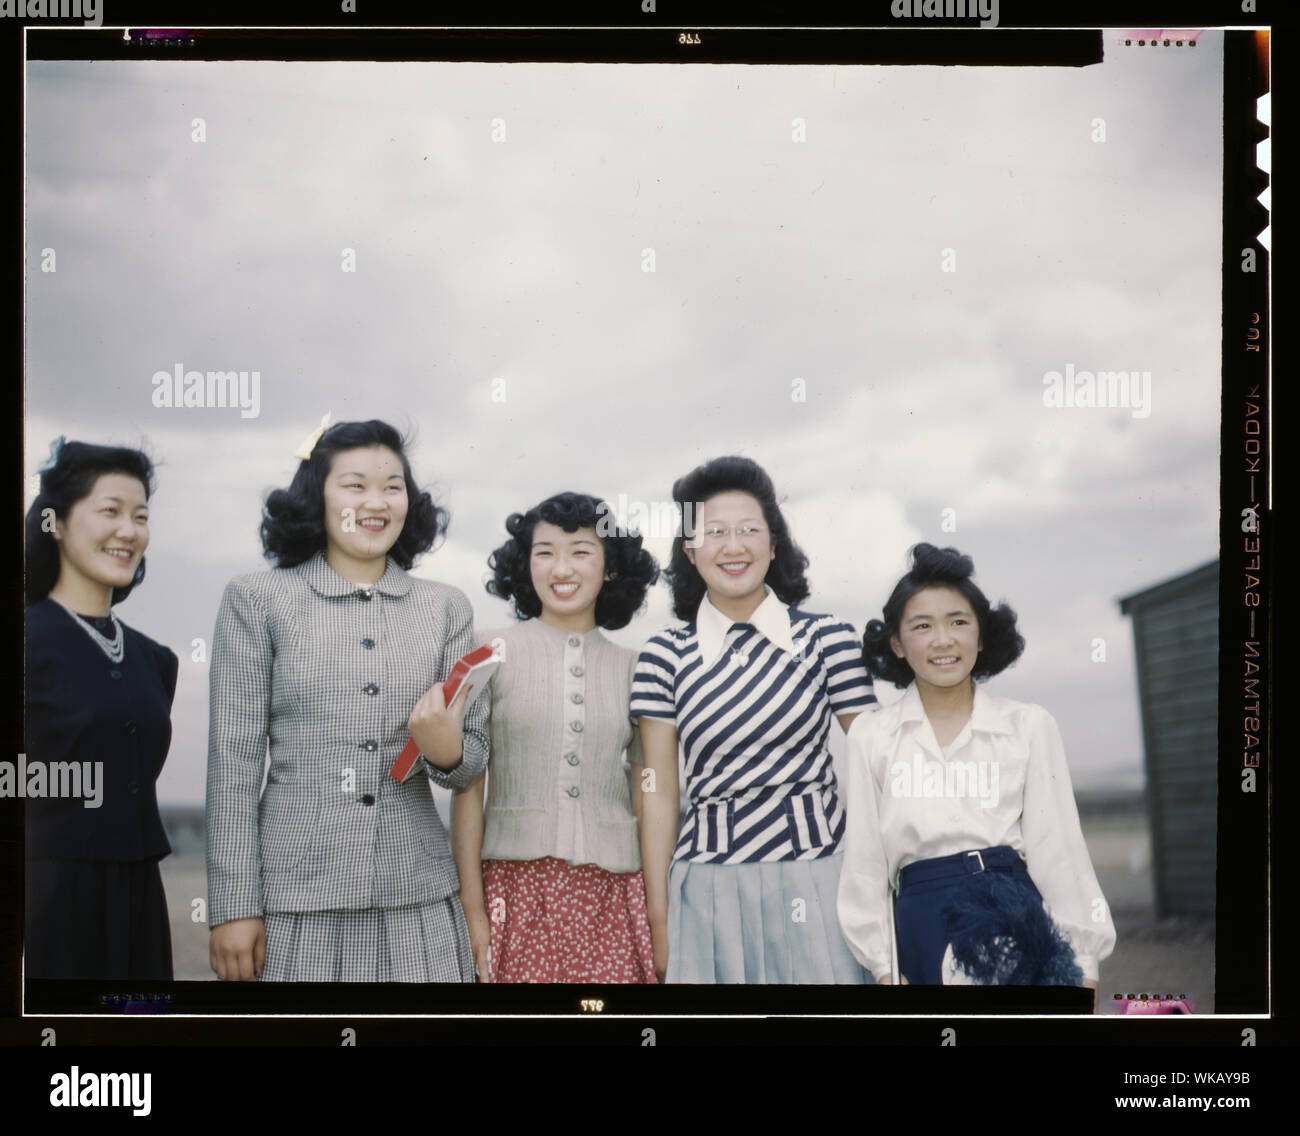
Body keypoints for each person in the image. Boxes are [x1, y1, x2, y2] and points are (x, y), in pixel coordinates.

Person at [205, 418, 487, 982]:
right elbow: (232, 765)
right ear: (318, 494)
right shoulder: (256, 600)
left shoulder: (446, 608)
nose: (376, 501)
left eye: (392, 485)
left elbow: (469, 766)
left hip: (420, 902)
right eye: (354, 484)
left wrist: (446, 750)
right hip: (294, 904)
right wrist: (233, 906)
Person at [630, 456, 877, 983]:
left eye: (748, 530)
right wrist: (659, 915)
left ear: (773, 543)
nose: (733, 546)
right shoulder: (663, 656)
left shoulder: (828, 639)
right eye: (714, 532)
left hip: (822, 880)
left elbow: (874, 763)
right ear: (690, 551)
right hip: (707, 889)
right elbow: (656, 789)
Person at [837, 543, 1116, 1000]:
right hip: (920, 927)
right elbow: (865, 869)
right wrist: (887, 970)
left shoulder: (1027, 726)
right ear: (897, 643)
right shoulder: (871, 735)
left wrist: (1082, 968)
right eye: (922, 626)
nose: (942, 640)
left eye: (958, 622)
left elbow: (1059, 852)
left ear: (982, 637)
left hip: (1017, 919)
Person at [451, 492, 660, 983]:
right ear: (525, 566)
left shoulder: (636, 669)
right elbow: (468, 787)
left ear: (610, 568)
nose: (560, 567)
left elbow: (648, 791)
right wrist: (473, 909)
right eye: (544, 552)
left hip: (613, 895)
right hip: (512, 891)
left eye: (581, 551)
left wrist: (656, 909)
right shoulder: (488, 652)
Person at [23, 437, 178, 980]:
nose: (128, 530)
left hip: (140, 901)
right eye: (109, 511)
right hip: (43, 901)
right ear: (56, 524)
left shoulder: (154, 659)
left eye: (140, 515)